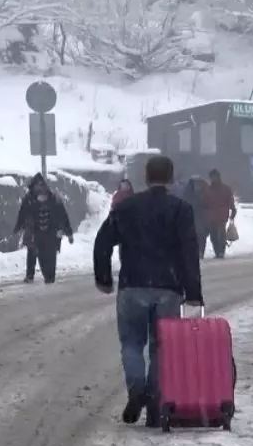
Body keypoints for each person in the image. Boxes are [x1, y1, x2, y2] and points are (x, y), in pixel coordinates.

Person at [93, 155, 202, 426]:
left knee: (131, 343)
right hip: (168, 288)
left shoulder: (127, 207)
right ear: (170, 178)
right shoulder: (181, 209)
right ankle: (154, 402)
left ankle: (137, 390)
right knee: (161, 347)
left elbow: (102, 241)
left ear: (146, 176)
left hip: (132, 285)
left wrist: (104, 277)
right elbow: (190, 253)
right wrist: (194, 292)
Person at [13, 173, 74, 284]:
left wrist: (68, 232)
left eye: (41, 185)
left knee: (50, 254)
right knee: (36, 253)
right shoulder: (29, 199)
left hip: (51, 232)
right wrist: (18, 227)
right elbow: (23, 213)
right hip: (35, 232)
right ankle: (37, 275)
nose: (39, 188)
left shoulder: (54, 198)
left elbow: (62, 215)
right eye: (37, 185)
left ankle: (50, 276)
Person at [204, 169, 237, 259]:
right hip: (211, 216)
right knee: (213, 235)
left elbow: (230, 201)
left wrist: (233, 210)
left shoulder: (225, 189)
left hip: (222, 216)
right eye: (211, 177)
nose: (212, 179)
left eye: (214, 177)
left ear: (218, 177)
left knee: (221, 234)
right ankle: (217, 252)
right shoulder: (208, 190)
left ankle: (221, 252)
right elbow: (205, 203)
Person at [181, 174, 213, 259]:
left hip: (199, 217)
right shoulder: (195, 193)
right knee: (199, 236)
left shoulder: (191, 193)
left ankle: (199, 252)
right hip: (196, 218)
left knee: (200, 236)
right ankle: (198, 252)